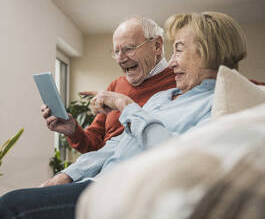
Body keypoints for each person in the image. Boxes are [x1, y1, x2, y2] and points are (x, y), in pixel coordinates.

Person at [0, 11, 247, 219]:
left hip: (125, 191)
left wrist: (127, 106)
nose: (172, 63)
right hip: (98, 179)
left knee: (10, 207)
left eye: (179, 50)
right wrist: (67, 172)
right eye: (116, 51)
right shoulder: (159, 96)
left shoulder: (221, 101)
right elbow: (108, 144)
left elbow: (177, 159)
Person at [45, 17, 176, 153]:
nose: (120, 59)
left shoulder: (180, 81)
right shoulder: (116, 85)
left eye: (129, 48)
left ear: (157, 46)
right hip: (106, 169)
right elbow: (95, 144)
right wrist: (72, 131)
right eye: (116, 52)